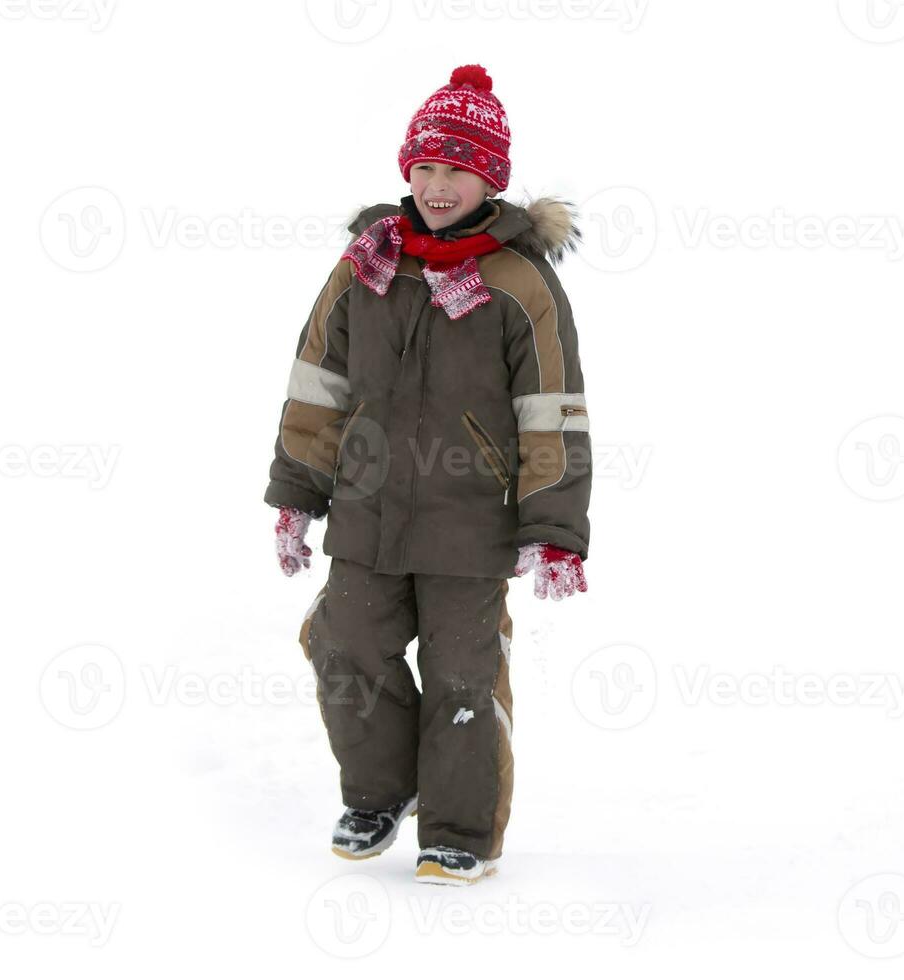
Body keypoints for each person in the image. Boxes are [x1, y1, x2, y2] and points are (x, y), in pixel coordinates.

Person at [262, 64, 592, 885]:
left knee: (461, 676)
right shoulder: (367, 264)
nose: (440, 185)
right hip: (367, 510)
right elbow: (318, 383)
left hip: (471, 524)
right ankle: (381, 791)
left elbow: (551, 408)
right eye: (427, 167)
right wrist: (298, 494)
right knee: (346, 646)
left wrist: (553, 530)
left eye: (459, 169)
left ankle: (459, 827)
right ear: (407, 171)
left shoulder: (520, 283)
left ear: (492, 178)